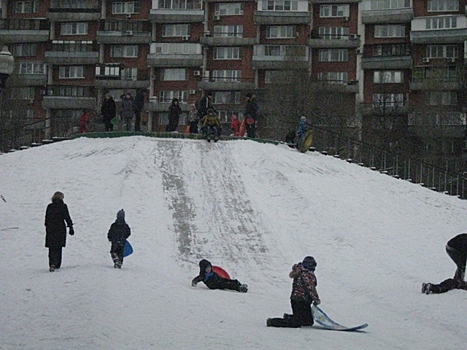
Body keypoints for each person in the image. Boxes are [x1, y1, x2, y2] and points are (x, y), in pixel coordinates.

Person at [267, 256, 320, 328]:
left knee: (308, 321)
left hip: (299, 300)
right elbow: (310, 288)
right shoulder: (307, 274)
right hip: (300, 301)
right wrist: (316, 299)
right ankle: (273, 322)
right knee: (297, 323)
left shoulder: (301, 271)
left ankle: (290, 317)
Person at [44, 191, 74, 272]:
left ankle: (51, 263)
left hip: (51, 229)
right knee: (58, 247)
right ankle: (57, 263)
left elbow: (46, 219)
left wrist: (47, 227)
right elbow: (67, 217)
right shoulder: (63, 206)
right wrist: (70, 227)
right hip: (60, 228)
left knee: (51, 247)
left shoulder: (50, 206)